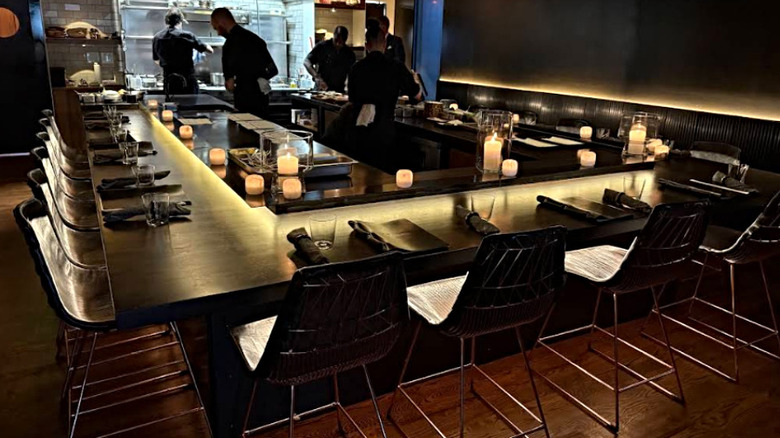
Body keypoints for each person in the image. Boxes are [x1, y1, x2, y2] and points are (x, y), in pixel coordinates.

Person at [335, 20, 421, 172]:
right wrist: (415, 81)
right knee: (382, 175)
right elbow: (416, 95)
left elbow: (352, 99)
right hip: (384, 131)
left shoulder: (356, 68)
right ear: (384, 44)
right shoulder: (396, 67)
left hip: (359, 130)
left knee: (360, 173)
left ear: (367, 45)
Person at [210, 8, 278, 117]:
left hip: (243, 103)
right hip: (262, 102)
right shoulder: (256, 40)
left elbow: (230, 85)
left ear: (222, 23)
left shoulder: (229, 46)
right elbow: (273, 69)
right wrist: (260, 79)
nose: (218, 33)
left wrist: (239, 83)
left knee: (243, 133)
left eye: (216, 28)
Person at [153, 8, 213, 94]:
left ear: (166, 21)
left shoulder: (157, 37)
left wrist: (168, 63)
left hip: (170, 82)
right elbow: (210, 50)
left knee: (171, 106)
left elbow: (156, 60)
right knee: (190, 105)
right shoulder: (187, 35)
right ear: (180, 21)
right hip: (187, 82)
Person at [304, 26, 355, 93]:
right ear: (334, 36)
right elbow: (306, 61)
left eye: (341, 42)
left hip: (339, 91)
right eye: (336, 40)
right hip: (320, 89)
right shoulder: (322, 47)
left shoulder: (349, 53)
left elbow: (352, 73)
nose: (338, 44)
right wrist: (316, 77)